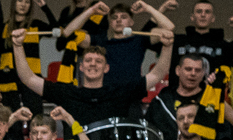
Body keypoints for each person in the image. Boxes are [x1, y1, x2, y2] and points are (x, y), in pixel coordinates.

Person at [11, 25, 174, 127]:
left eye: (98, 61)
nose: (93, 64)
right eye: (88, 61)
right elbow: (28, 78)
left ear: (106, 68)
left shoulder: (120, 92)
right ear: (81, 67)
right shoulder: (68, 93)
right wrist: (17, 45)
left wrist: (167, 46)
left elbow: (158, 73)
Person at [145, 53, 225, 140]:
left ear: (203, 73)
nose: (193, 74)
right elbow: (148, 135)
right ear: (178, 70)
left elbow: (224, 136)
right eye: (188, 69)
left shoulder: (212, 100)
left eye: (198, 70)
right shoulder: (161, 102)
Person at [0, 0, 55, 114]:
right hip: (8, 78)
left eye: (27, 2)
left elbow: (56, 29)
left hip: (31, 77)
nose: (23, 4)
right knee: (12, 118)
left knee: (35, 116)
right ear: (14, 3)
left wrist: (44, 7)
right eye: (20, 1)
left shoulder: (36, 25)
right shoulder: (3, 27)